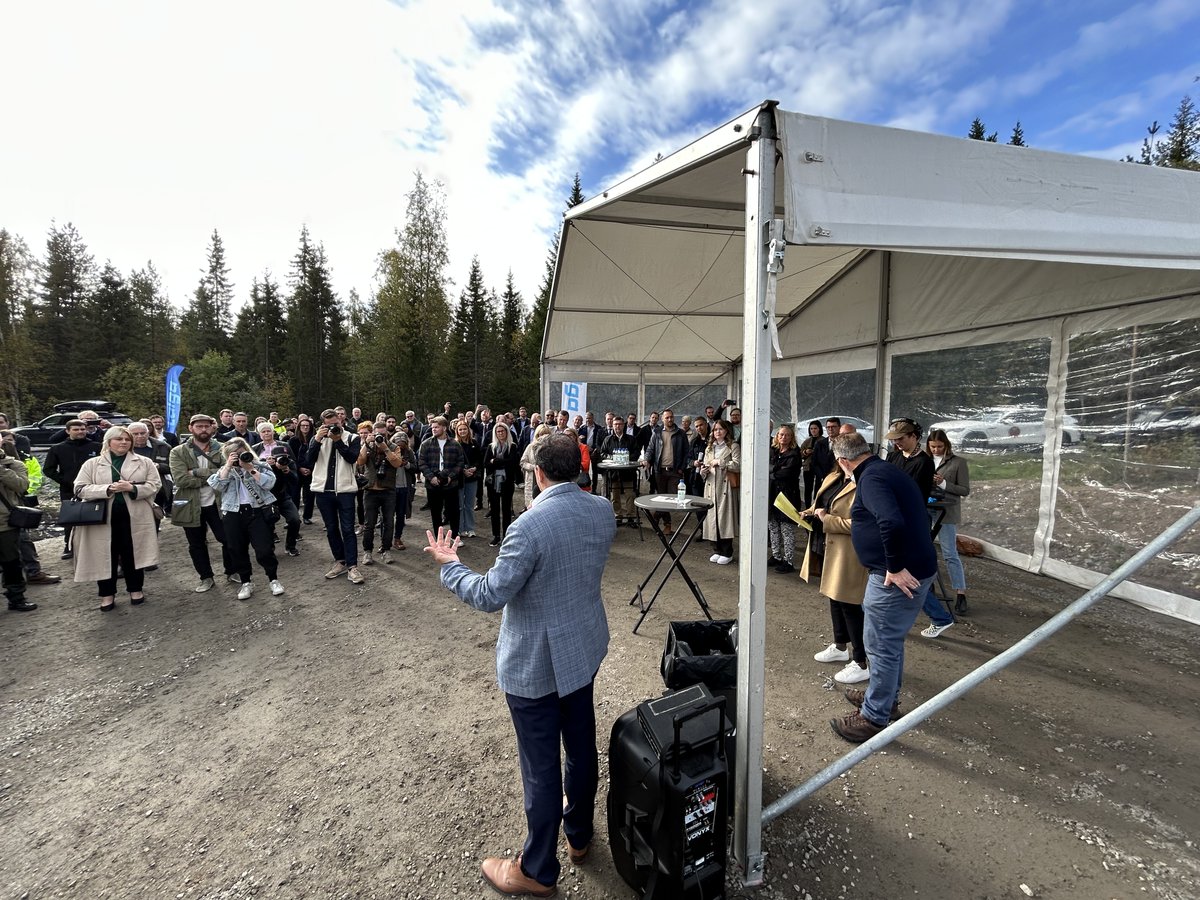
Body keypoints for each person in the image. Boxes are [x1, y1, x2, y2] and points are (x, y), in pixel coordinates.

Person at [423, 433, 616, 896]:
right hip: (583, 648)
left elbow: (490, 594)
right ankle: (580, 835)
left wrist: (450, 565)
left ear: (538, 472)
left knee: (541, 768)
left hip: (536, 665)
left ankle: (537, 871)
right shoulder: (602, 510)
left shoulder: (529, 525)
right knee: (582, 748)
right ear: (580, 470)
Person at [829, 431, 937, 743]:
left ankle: (875, 717)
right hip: (911, 567)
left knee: (880, 644)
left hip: (895, 576)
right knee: (887, 641)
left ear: (843, 461)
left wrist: (894, 566)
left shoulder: (872, 479)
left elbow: (890, 521)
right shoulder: (884, 469)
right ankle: (884, 699)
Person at [73, 426, 161, 611]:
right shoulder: (92, 463)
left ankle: (136, 590)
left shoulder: (144, 462)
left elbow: (155, 485)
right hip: (102, 517)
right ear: (108, 441)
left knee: (133, 554)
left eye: (127, 439)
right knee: (104, 555)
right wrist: (107, 489)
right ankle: (107, 594)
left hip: (135, 516)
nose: (123, 442)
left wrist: (132, 488)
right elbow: (79, 488)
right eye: (119, 439)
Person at [802, 451, 870, 685]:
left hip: (848, 551)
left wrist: (826, 519)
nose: (841, 462)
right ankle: (840, 645)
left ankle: (861, 661)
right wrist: (809, 512)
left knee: (849, 603)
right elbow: (821, 503)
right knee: (833, 597)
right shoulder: (834, 476)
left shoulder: (864, 483)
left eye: (843, 458)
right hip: (828, 545)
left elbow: (861, 524)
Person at [169, 414, 237, 592]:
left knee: (228, 539)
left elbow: (229, 474)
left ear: (212, 427)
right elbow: (181, 480)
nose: (203, 429)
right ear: (191, 428)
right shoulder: (178, 452)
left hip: (219, 503)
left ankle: (231, 571)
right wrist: (214, 476)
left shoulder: (223, 448)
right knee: (196, 544)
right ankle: (206, 577)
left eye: (207, 426)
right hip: (190, 505)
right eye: (199, 426)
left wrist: (196, 471)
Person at [208, 440, 284, 600]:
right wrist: (229, 466)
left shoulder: (260, 465)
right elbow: (216, 486)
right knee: (236, 549)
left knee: (264, 549)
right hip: (233, 512)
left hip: (257, 511)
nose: (240, 457)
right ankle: (246, 582)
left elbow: (270, 483)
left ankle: (273, 579)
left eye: (242, 452)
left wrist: (250, 469)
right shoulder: (226, 470)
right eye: (234, 454)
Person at [306, 409, 365, 584]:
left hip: (345, 490)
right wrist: (317, 439)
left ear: (341, 420)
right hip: (323, 491)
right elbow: (309, 460)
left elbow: (352, 458)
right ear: (322, 424)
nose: (333, 427)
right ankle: (340, 561)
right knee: (331, 528)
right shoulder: (317, 438)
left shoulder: (352, 438)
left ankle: (353, 566)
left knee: (348, 528)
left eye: (336, 424)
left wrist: (338, 440)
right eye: (328, 425)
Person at [926, 428, 972, 619]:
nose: (936, 450)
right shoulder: (925, 460)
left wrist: (944, 484)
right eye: (933, 447)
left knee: (949, 553)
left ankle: (960, 593)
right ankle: (928, 585)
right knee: (924, 550)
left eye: (939, 447)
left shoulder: (958, 462)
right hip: (927, 509)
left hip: (947, 512)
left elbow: (964, 490)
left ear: (946, 446)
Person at [358, 423, 404, 564]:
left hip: (388, 490)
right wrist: (366, 443)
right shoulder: (368, 446)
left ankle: (386, 550)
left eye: (383, 434)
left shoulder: (394, 447)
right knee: (369, 524)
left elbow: (397, 463)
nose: (380, 436)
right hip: (370, 490)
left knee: (389, 522)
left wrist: (385, 449)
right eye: (377, 433)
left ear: (387, 434)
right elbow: (359, 461)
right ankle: (367, 552)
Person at [0, 435, 35, 612]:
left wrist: (1, 470)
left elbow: (22, 486)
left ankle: (16, 598)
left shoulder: (14, 464)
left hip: (5, 523)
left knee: (11, 562)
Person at [641, 408, 688, 534]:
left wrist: (682, 468)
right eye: (667, 417)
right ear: (662, 419)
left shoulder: (680, 433)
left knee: (671, 497)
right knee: (662, 497)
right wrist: (646, 460)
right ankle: (667, 524)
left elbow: (686, 453)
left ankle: (656, 515)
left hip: (675, 472)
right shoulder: (656, 432)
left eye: (671, 417)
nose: (669, 419)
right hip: (659, 471)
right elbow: (650, 449)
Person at [701, 419, 740, 564]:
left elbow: (738, 464)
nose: (717, 432)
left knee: (725, 518)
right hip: (710, 486)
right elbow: (706, 464)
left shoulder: (733, 446)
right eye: (715, 429)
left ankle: (727, 551)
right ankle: (716, 549)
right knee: (711, 518)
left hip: (725, 487)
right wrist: (703, 470)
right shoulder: (709, 448)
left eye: (721, 429)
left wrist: (721, 462)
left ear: (727, 431)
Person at [419, 416, 464, 538]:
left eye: (436, 427)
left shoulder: (455, 444)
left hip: (451, 483)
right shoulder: (426, 444)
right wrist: (431, 477)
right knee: (435, 512)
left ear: (444, 428)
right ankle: (439, 538)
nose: (433, 429)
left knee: (454, 511)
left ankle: (455, 537)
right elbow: (422, 462)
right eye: (432, 427)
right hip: (432, 484)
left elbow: (460, 463)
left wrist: (451, 476)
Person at [767, 423, 802, 574]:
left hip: (787, 496)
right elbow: (766, 466)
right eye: (781, 434)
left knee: (786, 529)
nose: (784, 437)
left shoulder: (794, 453)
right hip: (771, 494)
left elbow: (787, 474)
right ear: (777, 436)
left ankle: (789, 561)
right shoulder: (772, 450)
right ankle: (776, 555)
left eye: (787, 435)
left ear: (792, 437)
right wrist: (775, 470)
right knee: (773, 527)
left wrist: (772, 472)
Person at [483, 421, 520, 547]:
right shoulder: (491, 447)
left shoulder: (512, 446)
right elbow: (486, 463)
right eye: (498, 431)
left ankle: (506, 535)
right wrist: (502, 462)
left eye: (502, 431)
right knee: (494, 509)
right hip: (493, 482)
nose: (500, 433)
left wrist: (497, 461)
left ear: (506, 432)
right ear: (495, 433)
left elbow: (513, 463)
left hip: (507, 482)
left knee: (506, 509)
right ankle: (496, 536)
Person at [598, 416, 638, 525]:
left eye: (619, 424)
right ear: (613, 425)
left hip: (628, 472)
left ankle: (631, 517)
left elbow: (636, 453)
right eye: (615, 424)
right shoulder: (608, 439)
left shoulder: (631, 439)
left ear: (623, 425)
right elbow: (602, 453)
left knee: (630, 494)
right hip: (614, 473)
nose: (617, 427)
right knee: (614, 496)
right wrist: (613, 457)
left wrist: (626, 457)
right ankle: (618, 516)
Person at [266, 445, 302, 558]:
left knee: (295, 520)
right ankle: (269, 548)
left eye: (284, 457)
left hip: (283, 497)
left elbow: (295, 482)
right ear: (272, 457)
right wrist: (272, 467)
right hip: (268, 499)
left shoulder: (289, 463)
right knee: (268, 523)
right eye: (278, 457)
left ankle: (291, 546)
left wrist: (287, 471)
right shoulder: (266, 465)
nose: (281, 460)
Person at [885, 418, 934, 500]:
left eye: (900, 438)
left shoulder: (925, 462)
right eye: (894, 439)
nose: (896, 442)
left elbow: (919, 493)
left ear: (914, 436)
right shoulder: (892, 456)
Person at [454, 419, 482, 538]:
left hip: (472, 477)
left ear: (468, 430)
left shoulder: (474, 443)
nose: (463, 431)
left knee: (469, 505)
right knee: (459, 505)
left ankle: (470, 528)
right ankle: (460, 529)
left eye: (464, 429)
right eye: (460, 429)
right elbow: (453, 461)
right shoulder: (454, 444)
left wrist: (474, 468)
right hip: (459, 478)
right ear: (457, 431)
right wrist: (463, 470)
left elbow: (480, 459)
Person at [391, 432, 418, 551]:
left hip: (404, 487)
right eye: (398, 444)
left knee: (401, 515)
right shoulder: (388, 451)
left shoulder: (410, 452)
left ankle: (397, 538)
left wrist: (406, 464)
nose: (400, 447)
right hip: (390, 487)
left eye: (403, 445)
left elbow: (416, 468)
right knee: (387, 516)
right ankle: (385, 541)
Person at [289, 416, 317, 523]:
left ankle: (307, 516)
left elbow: (316, 456)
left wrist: (310, 468)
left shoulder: (315, 439)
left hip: (311, 471)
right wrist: (299, 468)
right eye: (303, 426)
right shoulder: (293, 441)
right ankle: (294, 517)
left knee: (310, 496)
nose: (305, 428)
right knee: (294, 495)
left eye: (307, 426)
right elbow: (291, 457)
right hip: (296, 471)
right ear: (299, 427)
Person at [519, 424, 551, 511]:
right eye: (541, 434)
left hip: (546, 480)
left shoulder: (552, 448)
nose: (543, 437)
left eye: (546, 434)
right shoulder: (530, 447)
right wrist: (533, 467)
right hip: (532, 479)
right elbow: (523, 462)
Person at [799, 420, 823, 507]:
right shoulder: (807, 441)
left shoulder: (823, 441)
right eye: (811, 429)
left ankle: (817, 506)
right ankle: (808, 506)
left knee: (818, 488)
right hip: (808, 467)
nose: (813, 430)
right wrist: (806, 452)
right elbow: (800, 453)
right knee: (808, 489)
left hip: (819, 467)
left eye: (815, 428)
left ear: (819, 429)